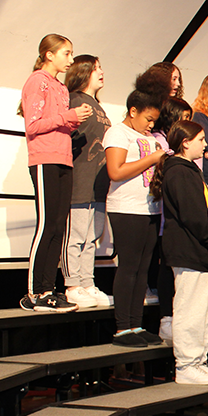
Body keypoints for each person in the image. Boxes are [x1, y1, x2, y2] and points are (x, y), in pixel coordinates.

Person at [19, 34, 92, 312]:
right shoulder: (37, 81)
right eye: (66, 53)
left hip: (63, 158)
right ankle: (34, 292)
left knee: (59, 225)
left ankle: (49, 289)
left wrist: (73, 122)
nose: (70, 60)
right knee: (46, 224)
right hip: (44, 159)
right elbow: (33, 125)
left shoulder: (60, 87)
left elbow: (59, 123)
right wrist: (68, 117)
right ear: (49, 55)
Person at [151, 120, 208, 385]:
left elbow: (205, 212)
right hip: (188, 249)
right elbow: (193, 215)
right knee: (191, 309)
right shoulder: (178, 171)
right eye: (200, 140)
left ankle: (198, 360)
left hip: (201, 250)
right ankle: (185, 365)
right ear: (185, 142)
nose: (205, 145)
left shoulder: (189, 170)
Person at [104, 88, 166, 347]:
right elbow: (115, 171)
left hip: (150, 208)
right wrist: (153, 158)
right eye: (148, 119)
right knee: (129, 267)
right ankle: (122, 328)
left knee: (143, 268)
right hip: (126, 208)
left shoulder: (149, 137)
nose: (151, 124)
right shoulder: (118, 132)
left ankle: (136, 324)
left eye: (154, 121)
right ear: (133, 112)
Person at [62, 54, 112, 309]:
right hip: (80, 179)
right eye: (96, 68)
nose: (101, 72)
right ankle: (72, 285)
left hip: (99, 184)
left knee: (92, 237)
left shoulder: (99, 106)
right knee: (76, 235)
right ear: (83, 72)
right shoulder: (74, 100)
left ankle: (87, 282)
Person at [151, 96, 192, 341]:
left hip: (186, 221)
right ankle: (166, 319)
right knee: (166, 269)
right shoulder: (159, 141)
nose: (187, 122)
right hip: (168, 220)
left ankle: (182, 321)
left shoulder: (191, 149)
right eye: (183, 118)